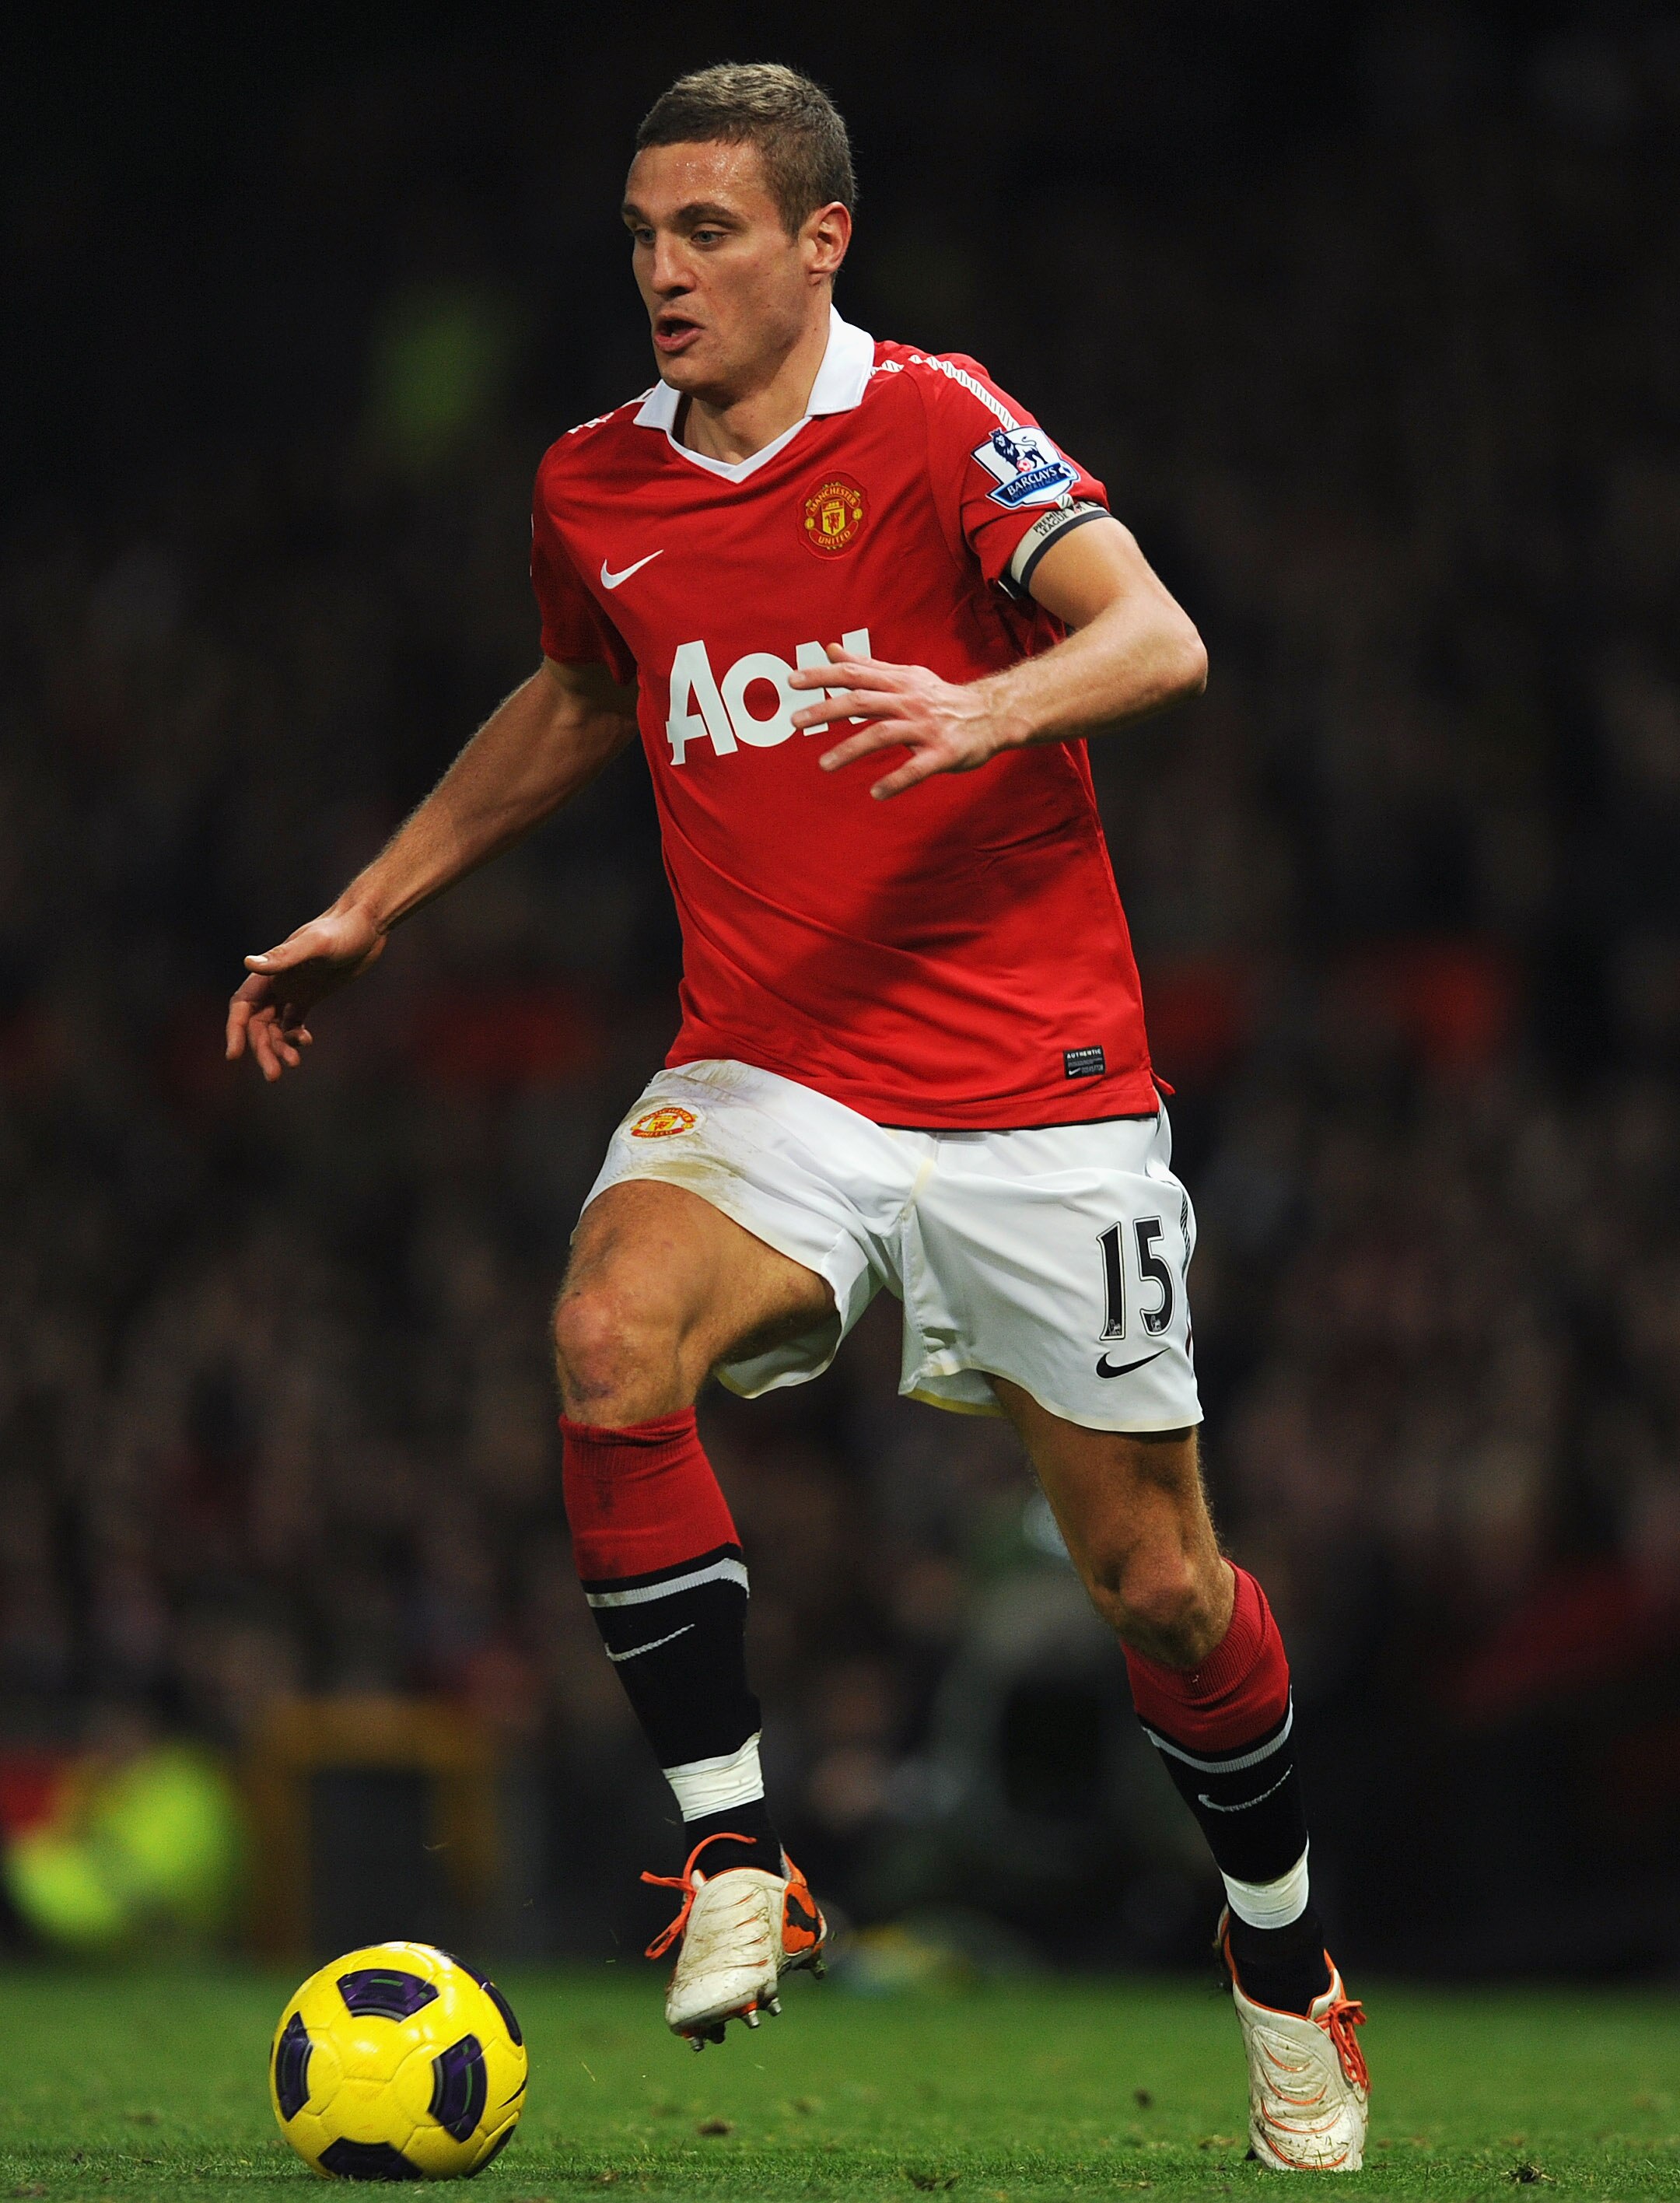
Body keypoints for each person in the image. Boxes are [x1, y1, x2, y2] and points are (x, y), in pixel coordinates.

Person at [226, 61, 1369, 2170]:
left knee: (1164, 1593)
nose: (661, 271)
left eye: (709, 233)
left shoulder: (938, 421)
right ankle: (735, 1855)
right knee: (603, 1338)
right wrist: (373, 900)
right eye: (644, 235)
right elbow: (583, 693)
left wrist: (984, 700)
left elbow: (1161, 636)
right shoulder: (592, 485)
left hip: (1042, 1095)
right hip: (776, 1068)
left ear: (821, 237)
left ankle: (1288, 1968)